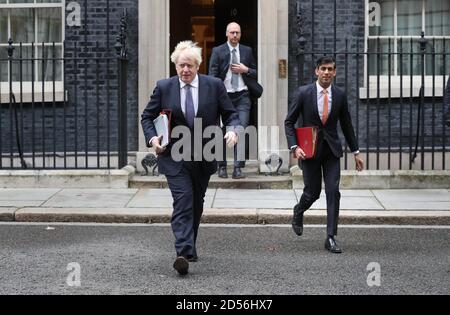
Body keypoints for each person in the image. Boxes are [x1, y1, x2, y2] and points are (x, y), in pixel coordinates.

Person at [141, 41, 240, 276]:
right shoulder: (164, 87)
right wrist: (153, 139)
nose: (185, 70)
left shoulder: (213, 86)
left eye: (190, 66)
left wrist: (233, 129)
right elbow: (147, 116)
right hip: (174, 155)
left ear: (197, 66)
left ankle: (189, 247)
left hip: (204, 154)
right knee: (183, 200)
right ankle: (182, 253)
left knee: (196, 202)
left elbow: (231, 113)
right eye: (181, 65)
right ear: (175, 66)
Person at [284, 56, 364, 254]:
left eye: (330, 69)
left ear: (334, 72)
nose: (327, 72)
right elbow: (289, 122)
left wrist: (356, 152)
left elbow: (346, 124)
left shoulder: (339, 94)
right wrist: (295, 147)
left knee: (333, 191)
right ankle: (299, 210)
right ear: (316, 71)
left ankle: (330, 237)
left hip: (331, 151)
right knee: (312, 193)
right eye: (323, 69)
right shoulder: (303, 93)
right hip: (309, 151)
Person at [209, 22, 260, 179]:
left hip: (242, 96)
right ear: (227, 34)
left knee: (240, 130)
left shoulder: (247, 51)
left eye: (237, 32)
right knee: (221, 132)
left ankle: (238, 168)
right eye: (232, 32)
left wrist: (246, 70)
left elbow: (256, 72)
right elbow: (212, 75)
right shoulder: (218, 51)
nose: (235, 35)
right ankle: (222, 166)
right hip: (224, 98)